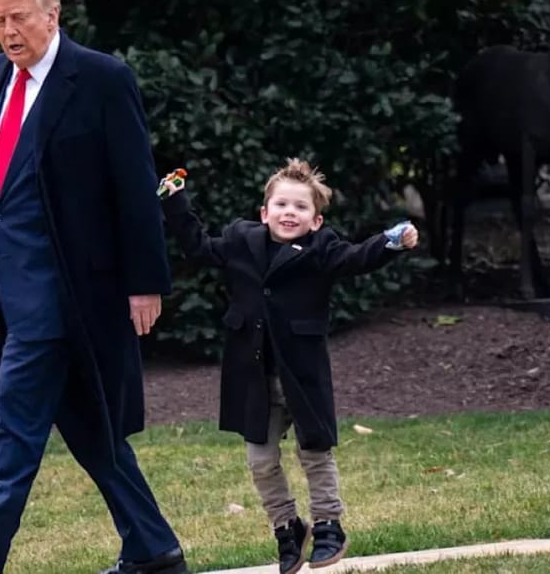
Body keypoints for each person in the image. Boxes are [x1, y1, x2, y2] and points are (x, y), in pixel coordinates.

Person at [0, 0, 187, 573]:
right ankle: (154, 550)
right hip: (6, 294)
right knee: (93, 428)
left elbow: (134, 187)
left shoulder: (100, 79)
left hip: (71, 291)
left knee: (14, 428)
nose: (9, 32)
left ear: (53, 14)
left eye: (19, 17)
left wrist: (146, 281)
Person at [158, 159, 418, 574]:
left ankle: (329, 524)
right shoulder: (242, 240)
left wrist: (390, 242)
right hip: (253, 373)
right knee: (260, 460)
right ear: (265, 212)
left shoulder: (321, 250)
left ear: (315, 221)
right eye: (281, 204)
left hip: (301, 371)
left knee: (314, 450)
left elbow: (355, 259)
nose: (289, 213)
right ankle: (287, 527)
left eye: (300, 208)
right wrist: (175, 202)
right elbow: (199, 247)